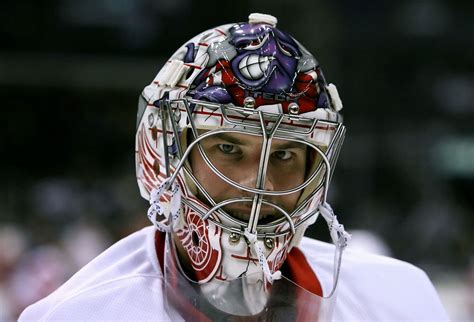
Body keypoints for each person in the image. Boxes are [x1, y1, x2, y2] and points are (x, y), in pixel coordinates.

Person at [20, 13, 449, 321]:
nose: (256, 182)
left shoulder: (400, 298)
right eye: (227, 147)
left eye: (283, 154)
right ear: (167, 151)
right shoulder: (80, 313)